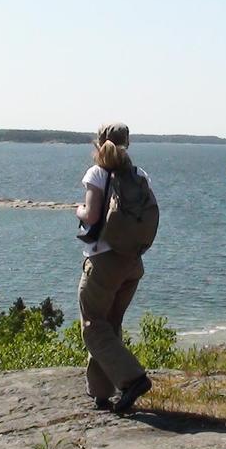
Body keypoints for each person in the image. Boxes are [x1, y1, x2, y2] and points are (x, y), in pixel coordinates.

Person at [75, 122, 152, 413]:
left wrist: (78, 210)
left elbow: (92, 215)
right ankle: (101, 392)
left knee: (93, 326)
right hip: (132, 263)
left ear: (99, 143)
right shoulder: (139, 175)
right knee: (110, 325)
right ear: (128, 144)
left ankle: (133, 379)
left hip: (104, 262)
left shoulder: (97, 173)